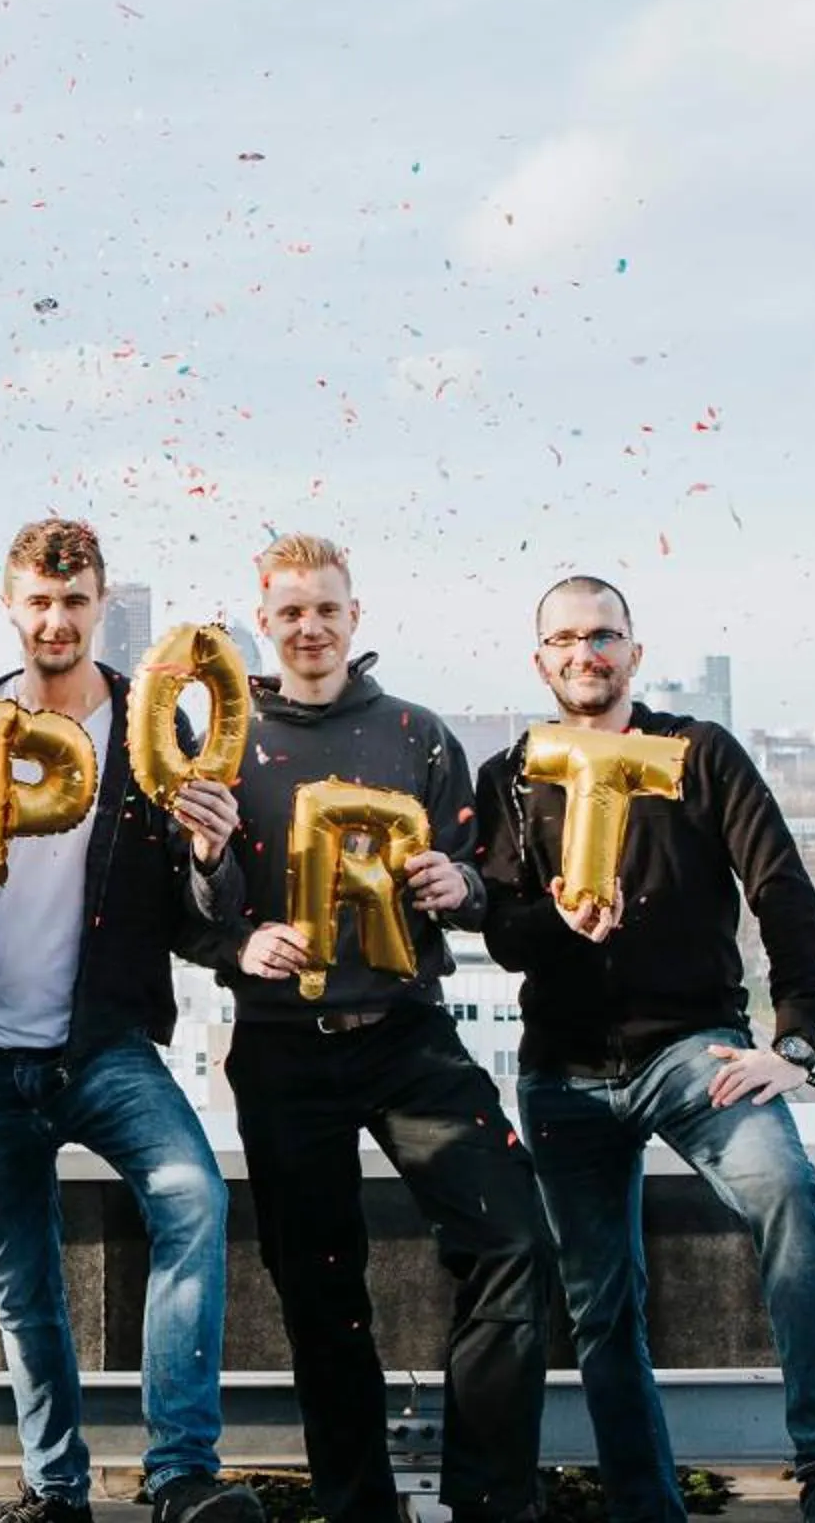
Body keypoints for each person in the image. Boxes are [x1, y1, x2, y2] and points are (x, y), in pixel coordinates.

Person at [474, 575, 815, 1523]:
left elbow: (782, 889)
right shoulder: (512, 775)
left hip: (696, 1055)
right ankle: (643, 1504)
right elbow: (501, 933)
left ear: (635, 652)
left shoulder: (698, 753)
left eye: (605, 636)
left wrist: (795, 1038)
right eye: (567, 640)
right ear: (541, 660)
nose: (587, 654)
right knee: (601, 1309)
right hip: (564, 1073)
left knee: (788, 1198)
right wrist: (562, 923)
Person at [191, 534, 551, 1523]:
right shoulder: (216, 738)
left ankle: (490, 1499)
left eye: (328, 609)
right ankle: (361, 1508)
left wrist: (459, 883)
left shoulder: (418, 733)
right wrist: (236, 933)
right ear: (261, 620)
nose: (310, 626)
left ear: (357, 617)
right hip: (278, 1044)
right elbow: (188, 919)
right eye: (290, 610)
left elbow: (487, 883)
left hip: (407, 1032)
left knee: (514, 1237)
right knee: (319, 1289)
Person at [0, 519, 261, 1523]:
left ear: (100, 604)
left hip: (104, 1040)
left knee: (193, 1199)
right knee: (23, 1276)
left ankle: (179, 1472)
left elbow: (207, 924)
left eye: (74, 601)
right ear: (12, 604)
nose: (56, 619)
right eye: (38, 600)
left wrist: (208, 857)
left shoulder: (156, 723)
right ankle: (53, 1487)